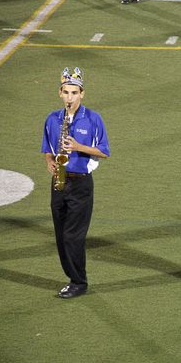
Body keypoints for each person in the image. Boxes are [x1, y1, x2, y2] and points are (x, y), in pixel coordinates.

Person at [41, 67, 110, 298]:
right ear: (60, 93)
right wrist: (50, 162)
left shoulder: (93, 119)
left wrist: (78, 147)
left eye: (75, 92)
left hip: (81, 185)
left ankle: (79, 282)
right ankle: (72, 278)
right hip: (58, 182)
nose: (70, 97)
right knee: (61, 236)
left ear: (82, 94)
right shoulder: (52, 119)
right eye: (66, 92)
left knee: (73, 236)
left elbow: (104, 152)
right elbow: (47, 149)